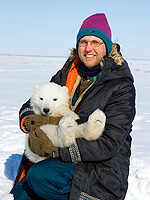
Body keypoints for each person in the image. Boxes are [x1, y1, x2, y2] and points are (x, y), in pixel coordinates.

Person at [11, 13, 136, 200]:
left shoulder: (120, 86)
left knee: (40, 177)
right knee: (19, 194)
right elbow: (37, 99)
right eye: (83, 42)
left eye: (95, 42)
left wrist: (55, 149)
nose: (88, 48)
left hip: (100, 171)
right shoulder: (69, 72)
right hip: (61, 159)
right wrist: (29, 119)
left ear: (107, 47)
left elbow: (108, 144)